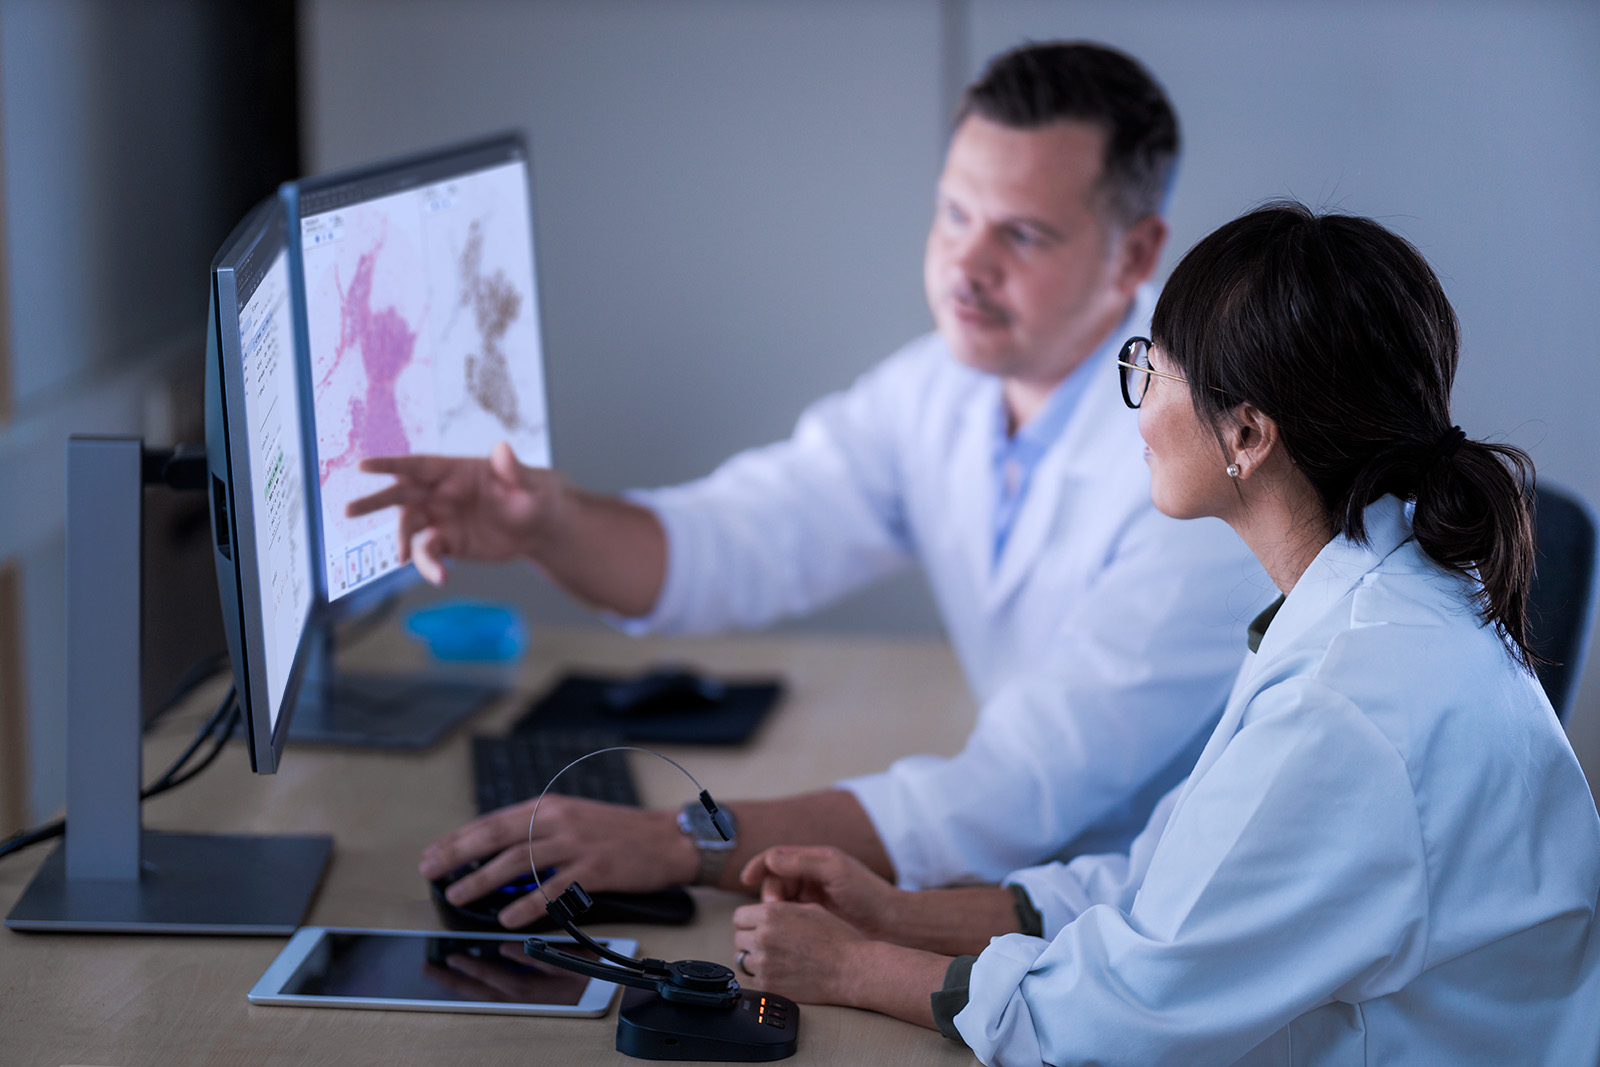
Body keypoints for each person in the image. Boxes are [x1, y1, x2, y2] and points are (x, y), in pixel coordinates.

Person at [351, 42, 1271, 926]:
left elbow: (1018, 785)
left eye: (1022, 235)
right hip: (1017, 876)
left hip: (1154, 909)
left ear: (1137, 252)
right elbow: (736, 539)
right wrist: (547, 523)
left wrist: (688, 840)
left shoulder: (1201, 466)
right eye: (954, 213)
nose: (966, 266)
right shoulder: (942, 390)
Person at [728, 202, 1600, 1064]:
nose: (1135, 405)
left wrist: (851, 966)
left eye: (1153, 367)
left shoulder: (1349, 699)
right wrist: (891, 912)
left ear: (1248, 434)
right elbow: (1159, 887)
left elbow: (1114, 1026)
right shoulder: (1364, 594)